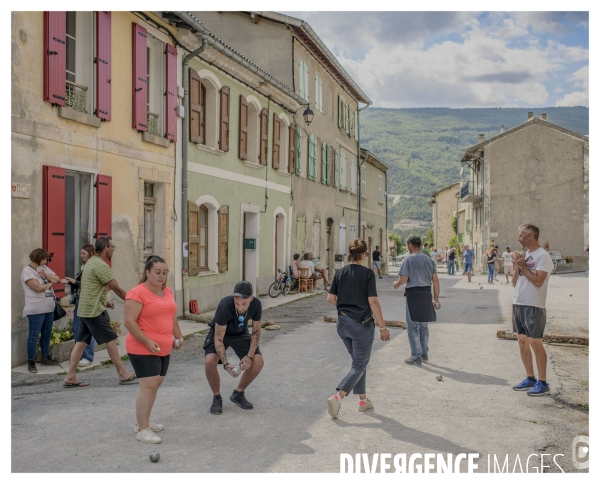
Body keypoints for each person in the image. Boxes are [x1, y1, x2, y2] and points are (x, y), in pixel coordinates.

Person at [326, 239, 389, 418]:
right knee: (360, 364)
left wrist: (344, 308)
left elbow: (330, 299)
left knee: (359, 363)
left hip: (343, 324)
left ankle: (363, 401)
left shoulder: (340, 272)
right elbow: (373, 301)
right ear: (363, 255)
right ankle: (339, 396)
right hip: (361, 325)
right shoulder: (368, 274)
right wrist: (383, 326)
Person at [124, 256, 184, 444]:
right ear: (147, 272)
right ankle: (143, 430)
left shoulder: (165, 292)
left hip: (163, 347)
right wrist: (147, 341)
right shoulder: (137, 293)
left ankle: (142, 421)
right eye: (157, 272)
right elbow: (129, 321)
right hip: (142, 346)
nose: (161, 276)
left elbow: (171, 317)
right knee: (148, 386)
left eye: (165, 272)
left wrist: (179, 336)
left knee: (155, 385)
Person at [63, 237, 136, 387]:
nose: (113, 250)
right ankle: (122, 373)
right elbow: (116, 288)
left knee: (81, 342)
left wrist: (105, 301)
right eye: (112, 247)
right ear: (105, 249)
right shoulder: (101, 266)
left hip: (84, 309)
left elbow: (91, 287)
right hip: (94, 311)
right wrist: (134, 302)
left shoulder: (90, 262)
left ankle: (70, 376)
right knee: (111, 339)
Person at [203, 281, 264, 415]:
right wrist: (225, 364)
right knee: (210, 361)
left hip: (241, 333)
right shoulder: (224, 305)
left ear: (251, 298)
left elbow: (256, 332)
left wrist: (249, 357)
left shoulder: (256, 304)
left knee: (258, 361)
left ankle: (238, 393)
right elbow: (218, 339)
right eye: (237, 303)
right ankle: (217, 397)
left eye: (244, 304)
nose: (240, 307)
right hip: (220, 333)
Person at [510, 224, 554, 396]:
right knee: (522, 341)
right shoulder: (526, 255)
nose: (519, 238)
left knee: (535, 342)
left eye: (521, 235)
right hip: (519, 302)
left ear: (530, 236)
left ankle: (543, 383)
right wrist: (517, 265)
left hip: (534, 304)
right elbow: (515, 282)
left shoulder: (543, 256)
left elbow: (538, 281)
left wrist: (524, 266)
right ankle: (530, 378)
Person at [393, 236, 441, 365]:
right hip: (426, 294)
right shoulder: (429, 260)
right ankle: (424, 352)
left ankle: (416, 356)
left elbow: (403, 279)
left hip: (413, 294)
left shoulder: (408, 259)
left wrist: (396, 283)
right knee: (424, 326)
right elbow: (435, 280)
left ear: (410, 245)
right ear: (419, 245)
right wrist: (436, 298)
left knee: (413, 326)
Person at [21, 248, 62, 373]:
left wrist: (46, 275)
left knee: (46, 334)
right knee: (33, 336)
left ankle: (45, 357)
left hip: (49, 307)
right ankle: (31, 362)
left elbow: (58, 279)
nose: (46, 261)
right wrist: (50, 283)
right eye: (44, 259)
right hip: (36, 309)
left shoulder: (42, 269)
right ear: (39, 259)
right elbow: (38, 288)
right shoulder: (27, 272)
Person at [61, 245, 97, 367]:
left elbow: (90, 285)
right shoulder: (83, 267)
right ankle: (80, 356)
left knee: (87, 330)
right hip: (79, 300)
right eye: (81, 253)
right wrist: (72, 282)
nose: (81, 255)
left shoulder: (91, 268)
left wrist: (74, 281)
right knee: (77, 329)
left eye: (83, 253)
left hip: (87, 302)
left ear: (90, 254)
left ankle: (88, 357)